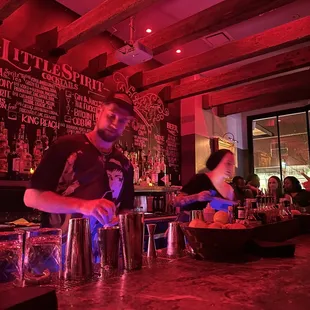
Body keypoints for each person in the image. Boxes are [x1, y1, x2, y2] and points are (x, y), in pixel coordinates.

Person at [24, 92, 135, 259]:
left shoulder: (125, 164)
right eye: (112, 115)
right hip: (56, 256)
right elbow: (31, 197)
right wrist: (84, 206)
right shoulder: (65, 146)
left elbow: (125, 209)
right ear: (99, 112)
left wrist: (120, 222)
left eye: (122, 120)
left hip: (101, 258)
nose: (115, 123)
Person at [174, 149, 235, 220]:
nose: (231, 168)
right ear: (217, 162)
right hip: (192, 226)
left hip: (217, 228)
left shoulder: (230, 188)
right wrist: (197, 197)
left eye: (232, 165)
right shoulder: (200, 179)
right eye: (228, 163)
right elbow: (177, 201)